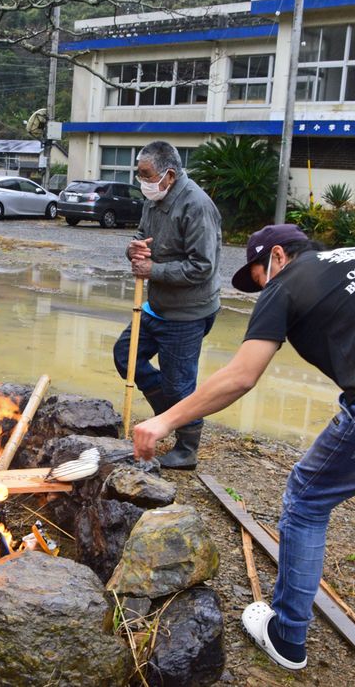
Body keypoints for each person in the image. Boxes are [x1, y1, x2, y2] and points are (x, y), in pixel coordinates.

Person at [132, 223, 355, 677]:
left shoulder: (285, 285)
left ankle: (288, 634)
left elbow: (242, 375)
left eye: (258, 274)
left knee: (306, 498)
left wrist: (164, 420)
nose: (261, 286)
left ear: (277, 256)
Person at [112, 140, 221, 469]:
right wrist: (134, 250)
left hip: (188, 312)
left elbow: (203, 266)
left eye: (146, 175)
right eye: (139, 174)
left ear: (169, 175)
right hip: (155, 307)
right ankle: (170, 416)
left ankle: (187, 448)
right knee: (125, 356)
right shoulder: (153, 200)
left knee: (179, 383)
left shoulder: (196, 206)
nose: (141, 181)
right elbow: (141, 236)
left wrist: (154, 269)